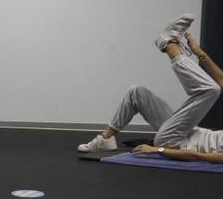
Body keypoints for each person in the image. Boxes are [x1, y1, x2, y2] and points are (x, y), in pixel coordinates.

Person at [78, 15, 223, 163]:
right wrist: (199, 53)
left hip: (177, 143)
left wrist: (159, 150)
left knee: (210, 90)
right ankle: (106, 139)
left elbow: (203, 157)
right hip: (191, 132)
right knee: (137, 93)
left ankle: (169, 45)